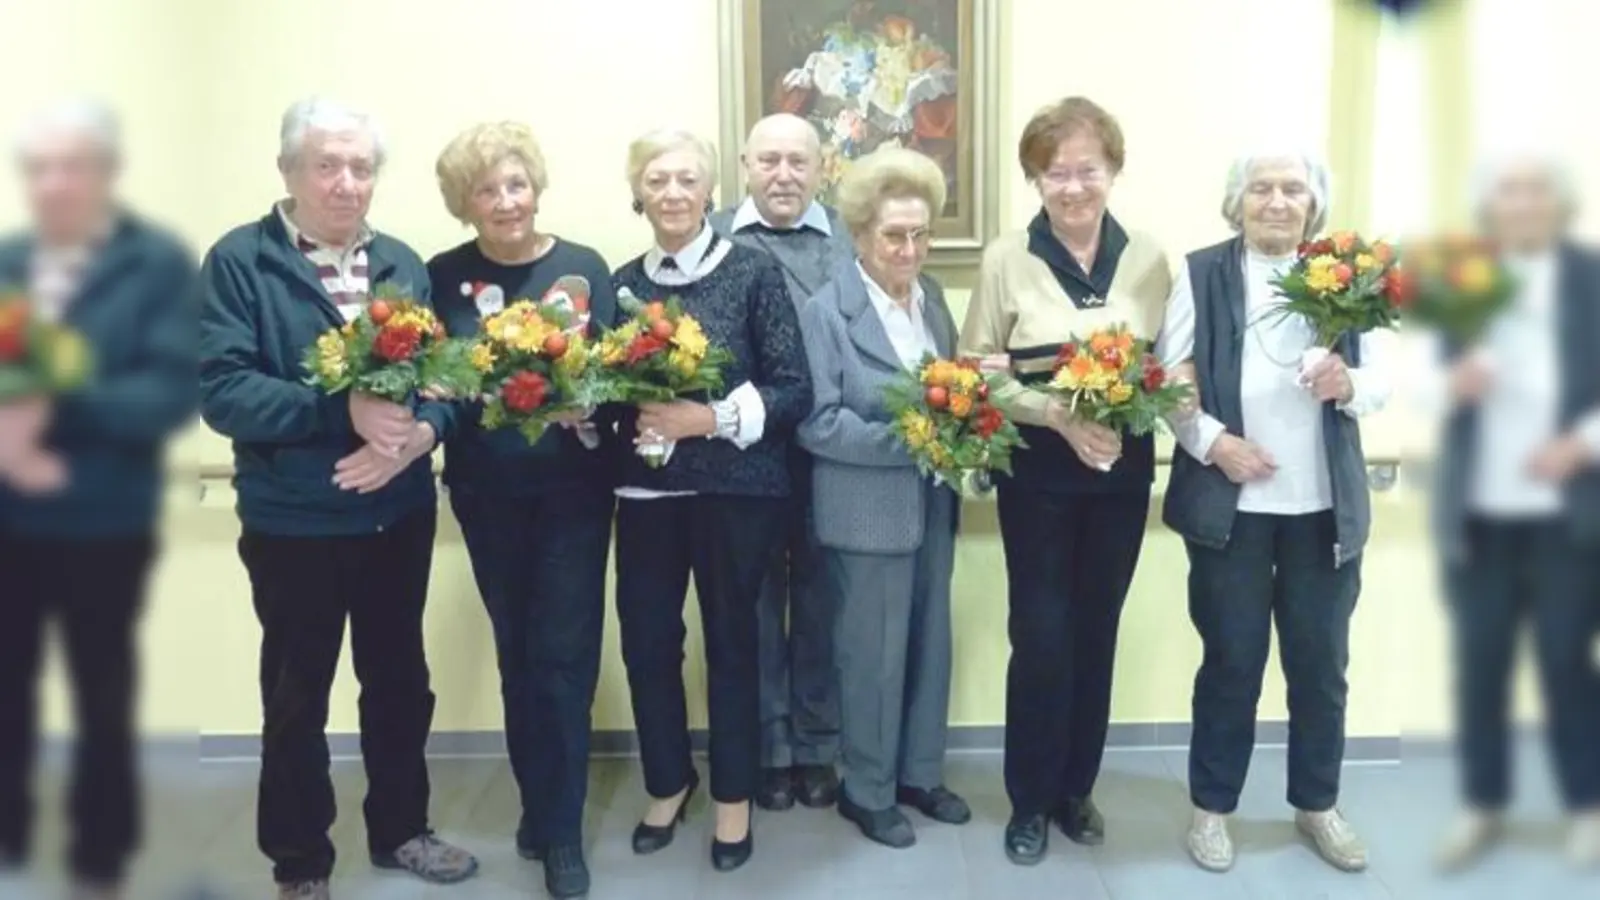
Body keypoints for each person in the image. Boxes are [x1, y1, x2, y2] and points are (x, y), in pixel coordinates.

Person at [197, 97, 478, 899]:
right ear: (289, 170)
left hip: (397, 512)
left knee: (399, 682)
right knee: (297, 696)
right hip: (296, 522)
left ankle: (401, 831)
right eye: (328, 164)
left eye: (362, 167)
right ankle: (299, 860)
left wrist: (423, 436)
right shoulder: (240, 261)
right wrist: (339, 412)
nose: (347, 182)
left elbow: (444, 376)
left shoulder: (401, 261)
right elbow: (224, 391)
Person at [1155, 150, 1390, 874]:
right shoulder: (1202, 273)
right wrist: (1214, 442)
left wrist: (1349, 383)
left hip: (1323, 512)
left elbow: (1381, 383)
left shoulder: (1349, 274)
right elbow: (1169, 377)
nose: (1278, 202)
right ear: (1238, 202)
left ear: (1313, 204)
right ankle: (1212, 811)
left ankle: (1318, 804)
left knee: (1321, 667)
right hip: (1235, 512)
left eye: (1294, 189)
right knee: (1231, 662)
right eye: (1262, 189)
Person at [956, 96, 1173, 865]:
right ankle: (1030, 800)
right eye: (1056, 172)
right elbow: (979, 370)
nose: (1073, 186)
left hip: (1121, 470)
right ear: (1034, 179)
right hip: (1039, 475)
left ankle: (1077, 789)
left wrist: (1131, 414)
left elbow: (1169, 370)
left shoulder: (1150, 256)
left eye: (1088, 169)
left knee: (1096, 633)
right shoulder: (1003, 258)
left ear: (1113, 170)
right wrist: (1057, 415)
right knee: (1040, 636)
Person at [0, 98, 197, 900]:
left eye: (70, 166)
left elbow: (165, 391)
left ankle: (100, 854)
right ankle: (6, 838)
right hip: (5, 520)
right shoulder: (8, 258)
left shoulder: (154, 262)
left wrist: (54, 412)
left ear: (107, 172)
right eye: (37, 169)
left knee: (101, 689)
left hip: (103, 520)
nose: (52, 184)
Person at [608, 128, 812, 873]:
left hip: (738, 491)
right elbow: (606, 397)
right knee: (648, 643)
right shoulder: (621, 282)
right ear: (639, 192)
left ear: (709, 191)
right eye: (657, 179)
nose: (671, 192)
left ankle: (734, 797)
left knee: (734, 644)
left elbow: (795, 389)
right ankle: (669, 780)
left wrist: (709, 418)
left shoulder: (753, 273)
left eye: (686, 179)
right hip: (647, 493)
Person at [426, 121, 617, 899]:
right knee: (518, 656)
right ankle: (539, 806)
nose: (505, 202)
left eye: (515, 184)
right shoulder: (440, 276)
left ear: (536, 187)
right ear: (463, 203)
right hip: (486, 493)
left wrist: (588, 409)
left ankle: (564, 833)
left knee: (565, 658)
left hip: (574, 493)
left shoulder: (583, 268)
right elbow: (433, 380)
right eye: (485, 189)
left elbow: (612, 377)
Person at [1426, 153, 1600, 873]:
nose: (1521, 204)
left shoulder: (1592, 275)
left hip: (1567, 516)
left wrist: (1581, 444)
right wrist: (1448, 382)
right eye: (1507, 191)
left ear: (1558, 204)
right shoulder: (1462, 275)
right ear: (1489, 205)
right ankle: (1482, 804)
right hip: (1479, 513)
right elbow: (1413, 382)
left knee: (1565, 662)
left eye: (1535, 191)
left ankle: (1587, 806)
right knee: (1480, 664)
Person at [796, 146, 971, 849]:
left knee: (930, 642)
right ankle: (866, 791)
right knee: (871, 656)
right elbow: (817, 421)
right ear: (861, 236)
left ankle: (918, 775)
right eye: (895, 235)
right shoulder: (825, 311)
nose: (909, 249)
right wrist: (913, 439)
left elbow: (954, 391)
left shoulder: (933, 302)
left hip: (933, 502)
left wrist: (959, 431)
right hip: (864, 511)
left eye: (921, 234)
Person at [710, 111, 853, 811]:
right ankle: (769, 749)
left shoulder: (850, 241)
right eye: (769, 160)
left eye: (799, 161)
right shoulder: (713, 239)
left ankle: (819, 746)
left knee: (823, 601)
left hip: (830, 456)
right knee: (755, 604)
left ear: (822, 169)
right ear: (745, 164)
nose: (784, 174)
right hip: (743, 459)